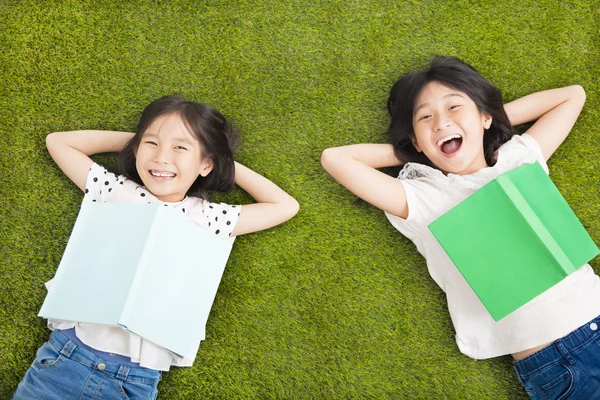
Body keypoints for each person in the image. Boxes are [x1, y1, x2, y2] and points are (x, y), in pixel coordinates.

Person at [321, 56, 600, 399]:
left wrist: (480, 120)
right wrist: (418, 147)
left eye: (455, 106)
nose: (441, 121)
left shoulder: (518, 159)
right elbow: (335, 159)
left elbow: (572, 95)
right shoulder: (424, 200)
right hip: (558, 363)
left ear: (486, 116)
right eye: (425, 116)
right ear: (415, 140)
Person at [13, 95, 299, 399]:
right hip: (64, 360)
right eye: (152, 144)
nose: (162, 158)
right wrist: (139, 142)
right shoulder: (116, 191)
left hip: (132, 382)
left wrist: (219, 160)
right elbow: (59, 142)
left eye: (180, 147)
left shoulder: (208, 217)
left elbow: (284, 205)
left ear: (205, 163)